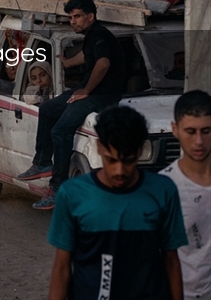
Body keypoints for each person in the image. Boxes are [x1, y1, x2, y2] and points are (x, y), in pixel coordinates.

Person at [48, 105, 186, 300]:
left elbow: (171, 261)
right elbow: (62, 268)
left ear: (139, 151)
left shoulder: (163, 191)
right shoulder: (73, 194)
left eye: (128, 160)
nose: (119, 171)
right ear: (99, 148)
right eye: (111, 160)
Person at [18, 0, 126, 210]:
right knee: (48, 109)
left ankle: (57, 189)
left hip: (101, 96)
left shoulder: (98, 34)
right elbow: (89, 57)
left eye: (77, 17)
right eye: (71, 17)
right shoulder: (92, 36)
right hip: (89, 92)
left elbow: (103, 63)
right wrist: (68, 62)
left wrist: (86, 90)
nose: (73, 21)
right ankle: (41, 162)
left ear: (91, 16)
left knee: (60, 131)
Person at [161, 91, 211, 300]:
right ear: (175, 129)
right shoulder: (165, 188)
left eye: (206, 131)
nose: (198, 141)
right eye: (190, 131)